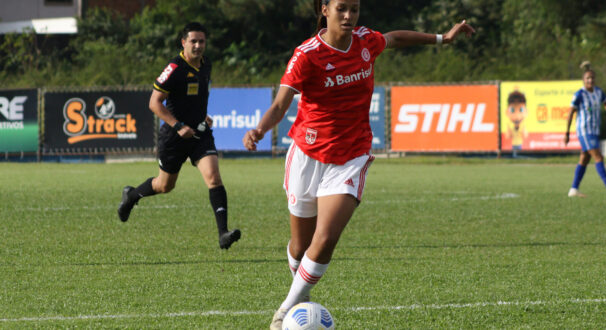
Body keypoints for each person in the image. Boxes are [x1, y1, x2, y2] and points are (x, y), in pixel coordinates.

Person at [242, 1, 474, 328]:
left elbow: (394, 38)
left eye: (354, 9)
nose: (349, 16)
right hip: (308, 155)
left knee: (325, 239)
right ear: (325, 10)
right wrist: (260, 129)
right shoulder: (307, 54)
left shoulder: (365, 41)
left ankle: (284, 313)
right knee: (300, 245)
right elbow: (281, 103)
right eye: (341, 9)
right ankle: (301, 296)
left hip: (351, 156)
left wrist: (442, 39)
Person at [117, 22, 241, 250]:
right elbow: (154, 103)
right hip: (174, 137)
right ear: (183, 43)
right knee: (165, 186)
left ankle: (223, 233)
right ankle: (132, 196)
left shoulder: (206, 64)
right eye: (193, 41)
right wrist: (177, 126)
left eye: (201, 41)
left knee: (213, 176)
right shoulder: (174, 68)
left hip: (200, 134)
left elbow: (197, 95)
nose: (197, 45)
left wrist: (203, 116)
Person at [564, 61, 606, 197]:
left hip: (594, 131)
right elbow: (571, 112)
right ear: (583, 80)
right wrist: (566, 133)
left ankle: (573, 189)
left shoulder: (598, 92)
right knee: (598, 156)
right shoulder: (579, 94)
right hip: (584, 131)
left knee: (584, 159)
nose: (590, 80)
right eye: (587, 78)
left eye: (592, 78)